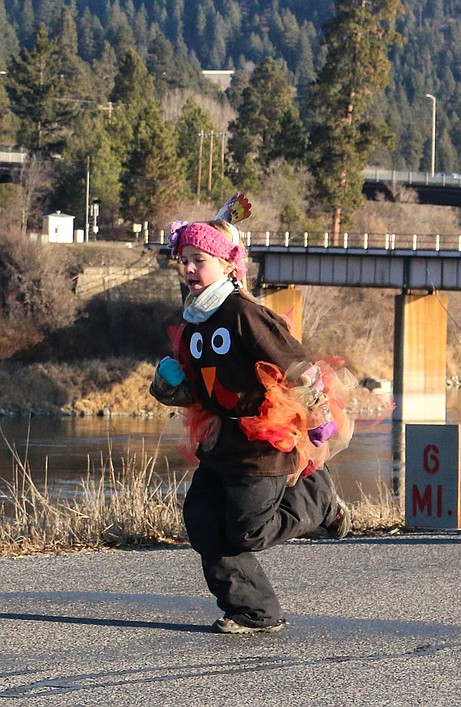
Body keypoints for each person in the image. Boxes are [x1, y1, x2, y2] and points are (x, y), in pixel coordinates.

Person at [149, 202, 355, 633]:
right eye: (183, 261)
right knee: (203, 522)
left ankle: (319, 501)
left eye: (198, 260)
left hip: (264, 439)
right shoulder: (195, 324)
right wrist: (168, 385)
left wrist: (318, 421)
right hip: (221, 440)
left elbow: (299, 368)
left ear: (227, 265)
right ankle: (253, 611)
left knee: (248, 532)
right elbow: (197, 391)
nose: (188, 269)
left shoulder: (245, 314)